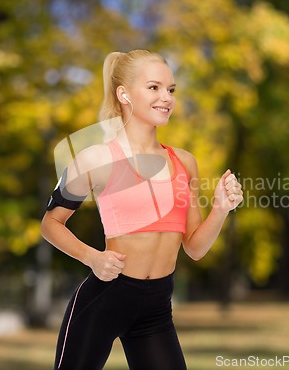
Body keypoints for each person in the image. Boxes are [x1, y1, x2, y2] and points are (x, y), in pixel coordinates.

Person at [40, 49, 243, 370]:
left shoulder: (184, 162)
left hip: (156, 309)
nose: (167, 98)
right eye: (154, 87)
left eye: (171, 90)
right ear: (124, 94)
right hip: (104, 300)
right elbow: (51, 224)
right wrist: (92, 257)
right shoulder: (95, 159)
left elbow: (195, 247)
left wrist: (220, 208)